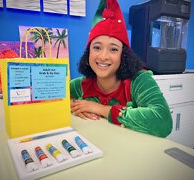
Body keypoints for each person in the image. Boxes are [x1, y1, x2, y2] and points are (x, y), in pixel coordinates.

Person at [70, 0, 172, 138]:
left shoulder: (139, 80)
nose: (103, 56)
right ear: (88, 53)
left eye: (113, 49)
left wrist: (101, 109)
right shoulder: (82, 84)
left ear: (123, 56)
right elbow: (51, 99)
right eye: (97, 47)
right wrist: (73, 105)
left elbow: (163, 121)